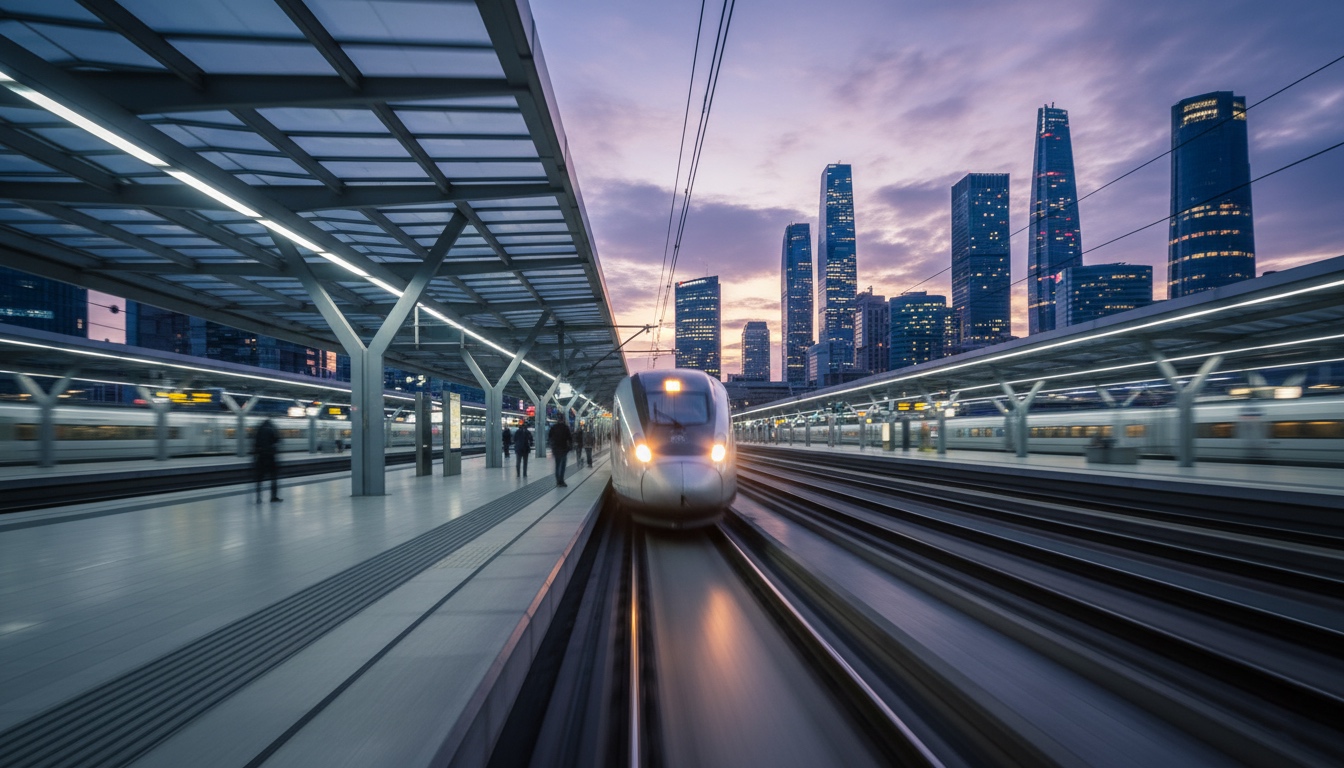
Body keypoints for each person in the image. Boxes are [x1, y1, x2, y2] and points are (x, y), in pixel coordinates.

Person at [253, 417, 281, 503]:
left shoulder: (259, 430)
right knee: (273, 478)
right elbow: (277, 439)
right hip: (270, 457)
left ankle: (258, 498)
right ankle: (273, 497)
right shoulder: (271, 429)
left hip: (260, 457)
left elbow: (255, 444)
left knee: (259, 479)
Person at [548, 418, 572, 487]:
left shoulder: (553, 427)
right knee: (562, 466)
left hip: (556, 449)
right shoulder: (565, 427)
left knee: (557, 465)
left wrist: (552, 447)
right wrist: (570, 447)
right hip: (563, 449)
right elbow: (570, 438)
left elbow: (550, 437)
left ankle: (558, 481)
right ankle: (561, 480)